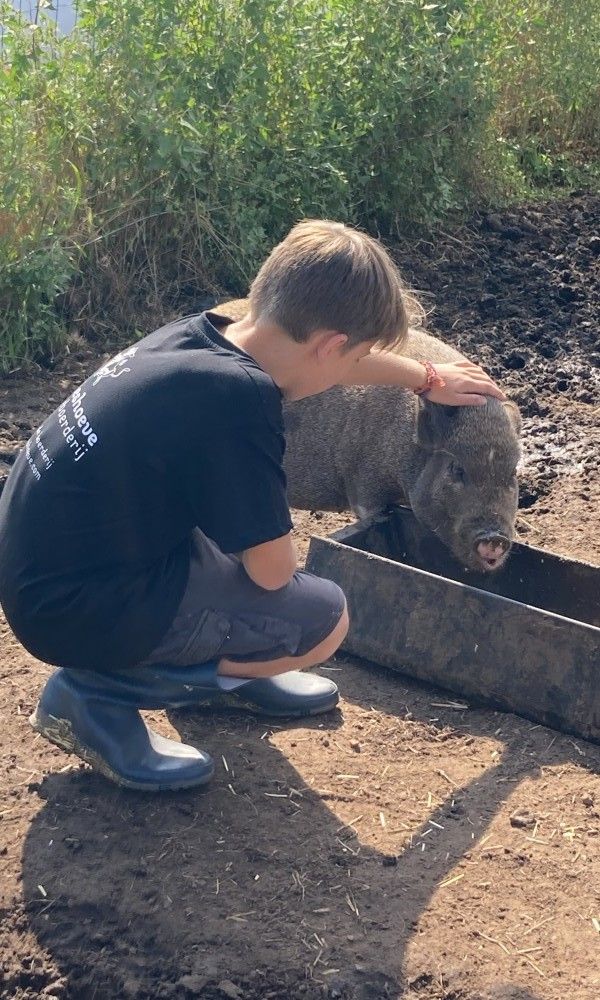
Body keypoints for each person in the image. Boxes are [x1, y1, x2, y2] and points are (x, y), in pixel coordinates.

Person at [0, 220, 505, 791]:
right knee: (320, 619)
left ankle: (233, 674)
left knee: (239, 543)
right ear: (330, 347)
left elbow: (334, 360)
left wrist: (424, 376)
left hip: (43, 559)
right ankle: (92, 696)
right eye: (354, 357)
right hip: (67, 607)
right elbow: (272, 572)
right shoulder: (240, 404)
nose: (352, 375)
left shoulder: (209, 334)